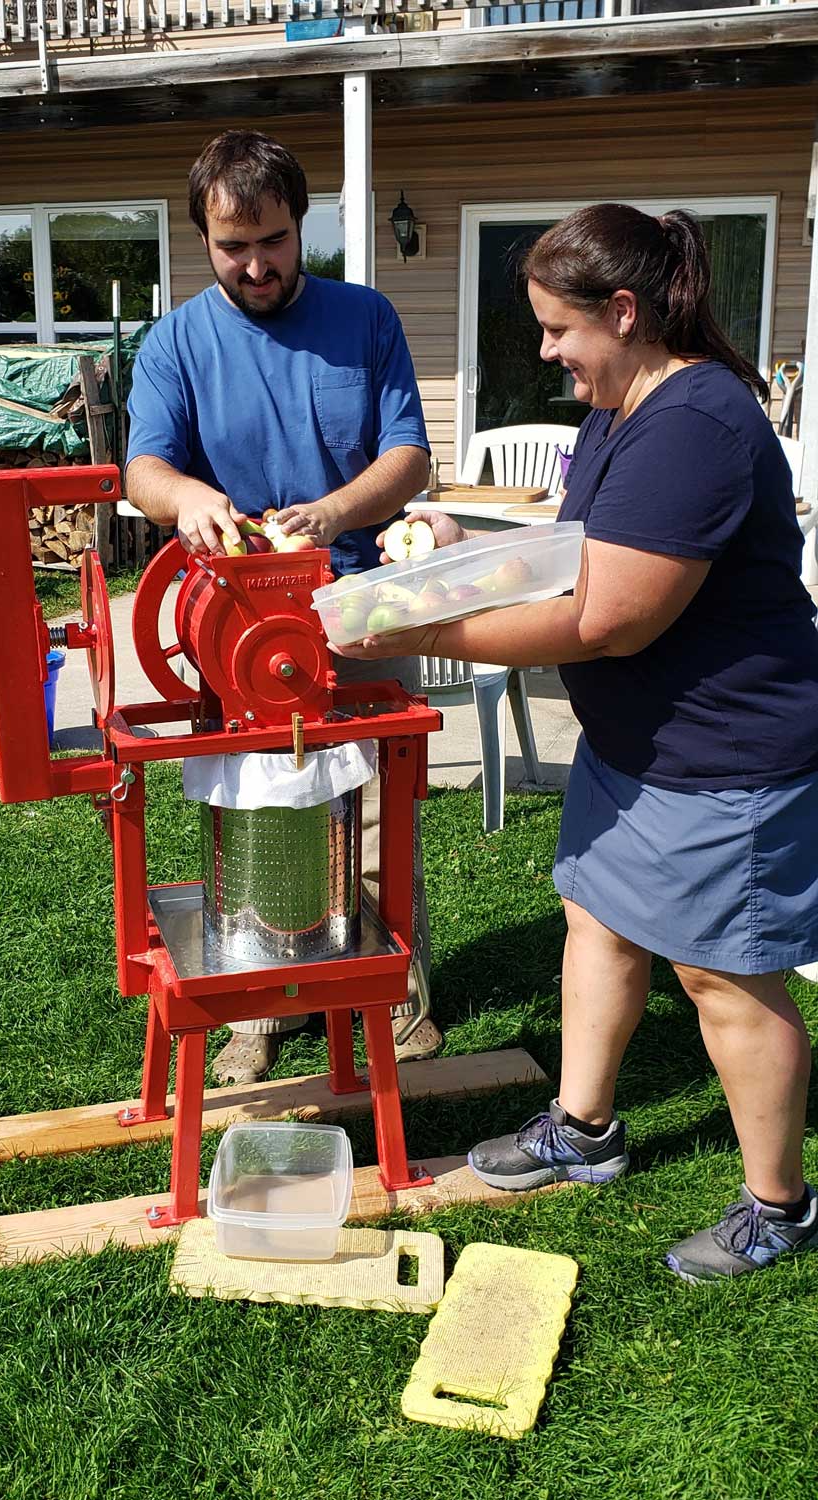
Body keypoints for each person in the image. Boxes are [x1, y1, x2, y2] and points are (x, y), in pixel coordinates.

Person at [333, 202, 818, 1283]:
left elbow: (608, 617)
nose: (548, 352)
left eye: (559, 329)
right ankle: (584, 1129)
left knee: (723, 976)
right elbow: (576, 552)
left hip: (720, 754)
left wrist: (417, 627)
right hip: (636, 742)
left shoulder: (696, 423)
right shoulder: (618, 407)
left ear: (627, 310)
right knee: (595, 916)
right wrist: (462, 545)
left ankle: (778, 1203)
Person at [125, 129, 442, 1085]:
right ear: (204, 240)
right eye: (233, 247)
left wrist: (333, 512)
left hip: (358, 601)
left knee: (384, 805)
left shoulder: (366, 318)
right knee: (256, 802)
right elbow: (145, 468)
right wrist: (188, 499)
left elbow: (409, 456)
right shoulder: (177, 341)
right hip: (242, 620)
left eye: (272, 240)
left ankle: (398, 992)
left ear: (303, 225)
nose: (256, 264)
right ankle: (257, 1009)